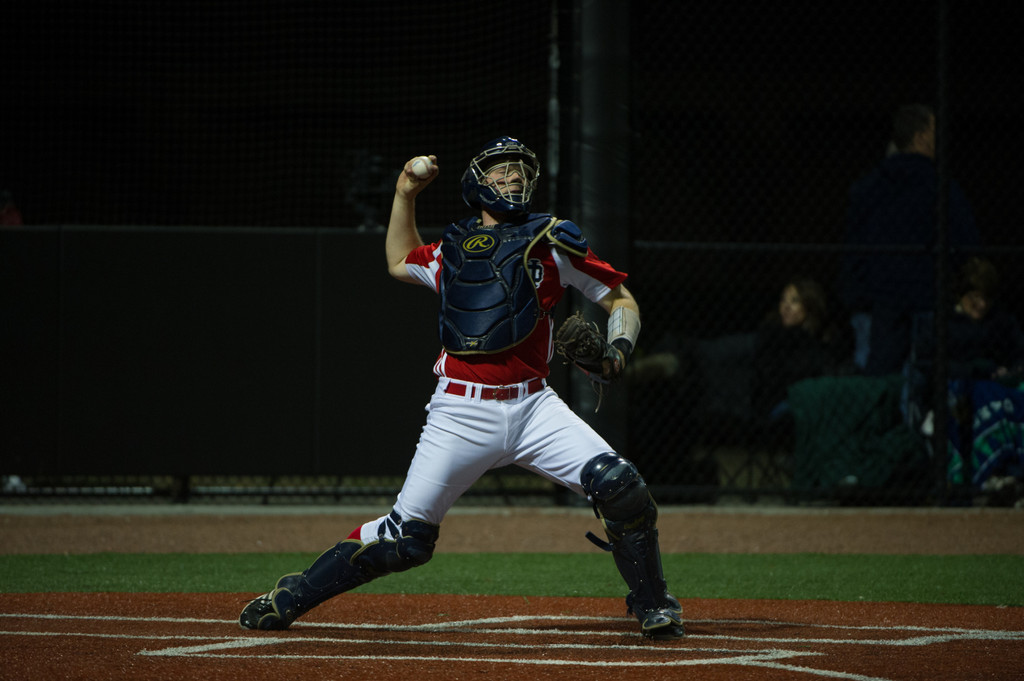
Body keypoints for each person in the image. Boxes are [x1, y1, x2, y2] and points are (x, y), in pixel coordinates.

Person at [239, 137, 684, 640]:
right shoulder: (452, 248)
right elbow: (398, 259)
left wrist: (618, 350)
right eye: (500, 171)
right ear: (477, 183)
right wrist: (406, 191)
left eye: (519, 170)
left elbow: (620, 298)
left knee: (620, 488)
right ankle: (292, 594)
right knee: (405, 541)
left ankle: (654, 604)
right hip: (459, 412)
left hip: (535, 406)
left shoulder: (553, 241)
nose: (513, 177)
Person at [838, 103, 980, 376]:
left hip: (878, 302)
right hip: (927, 300)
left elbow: (852, 249)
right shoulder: (941, 187)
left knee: (879, 380)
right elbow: (967, 244)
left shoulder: (868, 187)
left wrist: (859, 294)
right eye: (935, 131)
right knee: (927, 381)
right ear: (921, 136)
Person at [752, 277, 850, 421]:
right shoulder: (773, 338)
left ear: (810, 305)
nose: (785, 306)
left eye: (794, 301)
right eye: (783, 300)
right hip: (781, 405)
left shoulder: (826, 339)